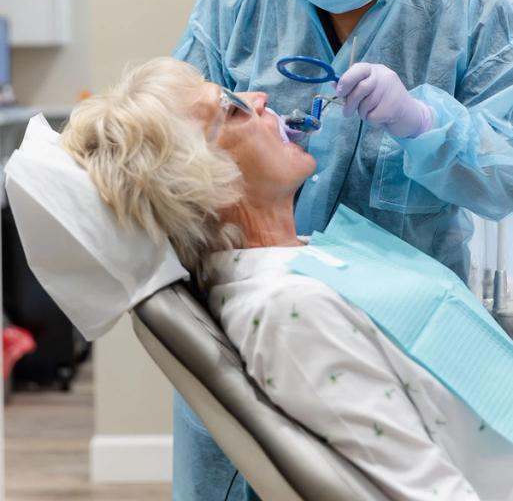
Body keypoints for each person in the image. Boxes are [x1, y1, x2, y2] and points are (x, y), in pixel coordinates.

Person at [172, 0, 513, 501]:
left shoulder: (470, 10)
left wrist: (423, 124)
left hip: (395, 333)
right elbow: (172, 142)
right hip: (254, 318)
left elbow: (503, 176)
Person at [61, 57, 513, 501]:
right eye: (233, 108)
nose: (260, 97)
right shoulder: (288, 313)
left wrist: (421, 122)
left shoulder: (300, 256)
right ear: (199, 179)